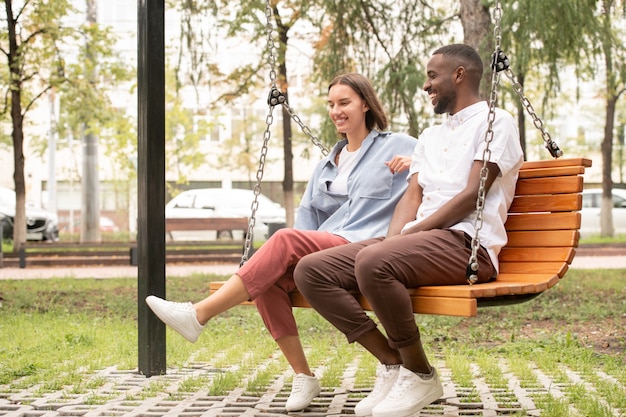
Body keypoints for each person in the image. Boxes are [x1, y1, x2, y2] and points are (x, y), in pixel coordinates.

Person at [145, 73, 417, 411]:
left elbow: (448, 170)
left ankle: (199, 314)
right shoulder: (325, 166)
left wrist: (419, 163)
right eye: (331, 104)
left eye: (344, 102)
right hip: (330, 252)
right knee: (268, 281)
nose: (337, 111)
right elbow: (307, 219)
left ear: (365, 103)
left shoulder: (400, 145)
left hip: (369, 247)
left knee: (285, 239)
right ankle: (304, 376)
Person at [293, 44, 524, 417]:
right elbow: (411, 197)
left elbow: (471, 195)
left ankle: (419, 373)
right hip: (422, 242)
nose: (426, 85)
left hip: (468, 246)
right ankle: (392, 362)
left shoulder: (496, 122)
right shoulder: (431, 136)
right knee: (311, 270)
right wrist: (393, 239)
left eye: (433, 76)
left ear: (459, 75)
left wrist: (401, 242)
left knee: (373, 261)